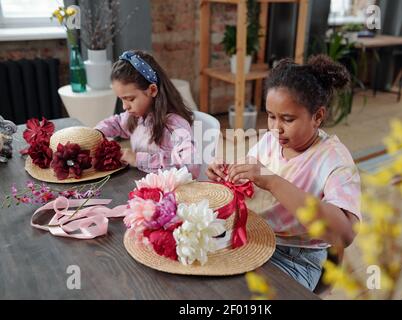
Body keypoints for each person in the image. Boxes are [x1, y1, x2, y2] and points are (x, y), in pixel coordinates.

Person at [206, 55, 361, 290]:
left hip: (297, 258)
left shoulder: (334, 161)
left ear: (318, 116)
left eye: (287, 119)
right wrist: (227, 171)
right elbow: (251, 169)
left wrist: (273, 182)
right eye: (270, 116)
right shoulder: (272, 141)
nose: (275, 128)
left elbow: (345, 235)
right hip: (254, 236)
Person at [95, 50, 199, 177]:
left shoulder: (174, 125)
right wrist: (96, 133)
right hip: (141, 184)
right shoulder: (136, 116)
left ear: (152, 90)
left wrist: (138, 159)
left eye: (130, 99)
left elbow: (191, 167)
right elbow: (116, 123)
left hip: (170, 192)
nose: (124, 106)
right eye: (121, 99)